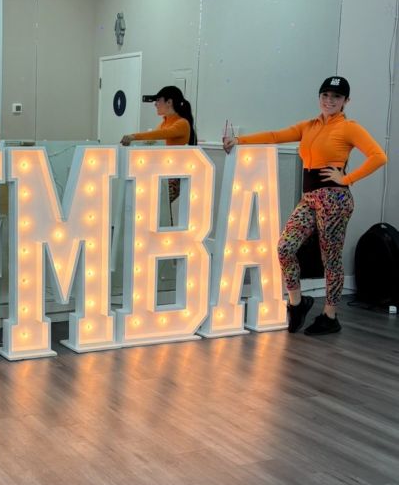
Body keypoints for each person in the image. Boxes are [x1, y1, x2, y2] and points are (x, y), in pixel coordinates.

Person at [223, 76, 387, 336]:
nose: (329, 100)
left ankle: (330, 316)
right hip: (309, 197)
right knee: (284, 247)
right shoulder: (309, 125)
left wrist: (347, 179)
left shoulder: (349, 127)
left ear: (346, 101)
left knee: (330, 259)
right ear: (319, 97)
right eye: (325, 95)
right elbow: (275, 136)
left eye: (336, 97)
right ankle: (297, 302)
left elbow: (379, 156)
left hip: (334, 199)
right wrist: (239, 140)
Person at [120, 85, 196, 204]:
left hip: (172, 177)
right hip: (161, 173)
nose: (155, 104)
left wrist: (134, 137)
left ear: (169, 102)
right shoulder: (164, 123)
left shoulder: (182, 123)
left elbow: (159, 135)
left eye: (158, 100)